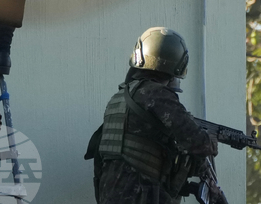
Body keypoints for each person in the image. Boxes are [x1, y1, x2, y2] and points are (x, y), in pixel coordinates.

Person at [86, 27, 219, 204]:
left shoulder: (118, 99)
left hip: (109, 195)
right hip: (139, 195)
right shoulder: (157, 94)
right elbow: (198, 143)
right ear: (176, 66)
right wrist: (212, 139)